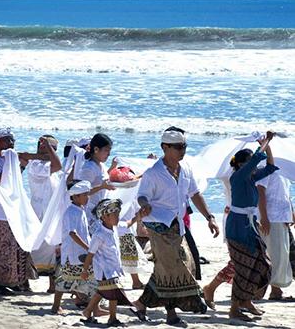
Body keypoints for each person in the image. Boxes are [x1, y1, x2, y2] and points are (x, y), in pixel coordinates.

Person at [133, 127, 219, 326]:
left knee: (170, 266)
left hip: (178, 225)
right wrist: (145, 204)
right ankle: (171, 314)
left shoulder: (185, 169)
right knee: (173, 267)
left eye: (184, 146)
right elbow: (142, 195)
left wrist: (209, 217)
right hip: (158, 225)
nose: (183, 150)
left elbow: (195, 194)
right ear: (165, 147)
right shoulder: (154, 172)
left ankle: (140, 303)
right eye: (179, 147)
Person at [225, 132, 279, 321]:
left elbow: (271, 166)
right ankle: (234, 308)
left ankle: (246, 301)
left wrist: (268, 145)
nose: (255, 167)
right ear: (241, 165)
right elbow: (257, 158)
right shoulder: (238, 177)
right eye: (249, 164)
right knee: (243, 267)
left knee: (261, 263)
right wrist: (265, 142)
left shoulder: (251, 178)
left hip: (250, 225)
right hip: (237, 225)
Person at [0, 127, 38, 294]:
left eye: (12, 140)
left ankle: (16, 282)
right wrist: (11, 161)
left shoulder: (11, 160)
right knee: (2, 248)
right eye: (7, 140)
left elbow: (14, 182)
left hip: (13, 209)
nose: (11, 143)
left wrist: (19, 165)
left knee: (17, 246)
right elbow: (0, 181)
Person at [82, 198, 139, 326]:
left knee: (102, 292)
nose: (117, 217)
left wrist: (138, 216)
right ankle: (112, 318)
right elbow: (90, 253)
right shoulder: (99, 234)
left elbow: (128, 224)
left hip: (113, 269)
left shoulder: (115, 228)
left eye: (118, 214)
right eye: (114, 215)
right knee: (112, 293)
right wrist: (85, 270)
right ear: (104, 217)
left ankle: (88, 311)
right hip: (104, 270)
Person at [51, 181, 101, 314]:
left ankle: (91, 306)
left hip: (80, 252)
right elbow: (73, 233)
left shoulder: (80, 210)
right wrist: (88, 248)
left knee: (87, 277)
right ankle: (56, 306)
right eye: (84, 195)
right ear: (75, 196)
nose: (87, 197)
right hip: (73, 253)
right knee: (66, 279)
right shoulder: (71, 212)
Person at [26, 135, 63, 292]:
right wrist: (46, 149)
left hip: (52, 214)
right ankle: (24, 282)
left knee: (53, 249)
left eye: (52, 149)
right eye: (45, 148)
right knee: (32, 248)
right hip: (38, 213)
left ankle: (53, 286)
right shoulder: (35, 165)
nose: (48, 152)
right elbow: (57, 166)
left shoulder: (55, 169)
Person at [258, 171, 295, 301]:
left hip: (281, 218)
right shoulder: (266, 170)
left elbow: (285, 196)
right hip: (271, 217)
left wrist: (292, 213)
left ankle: (275, 290)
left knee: (281, 255)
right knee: (273, 254)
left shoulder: (284, 171)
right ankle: (267, 290)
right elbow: (260, 192)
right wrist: (264, 217)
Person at [78, 133, 116, 229]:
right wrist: (102, 187)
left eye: (110, 151)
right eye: (106, 150)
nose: (109, 154)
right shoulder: (88, 168)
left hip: (101, 209)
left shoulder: (100, 164)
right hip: (90, 211)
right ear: (96, 149)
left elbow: (101, 178)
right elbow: (82, 192)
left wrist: (112, 168)